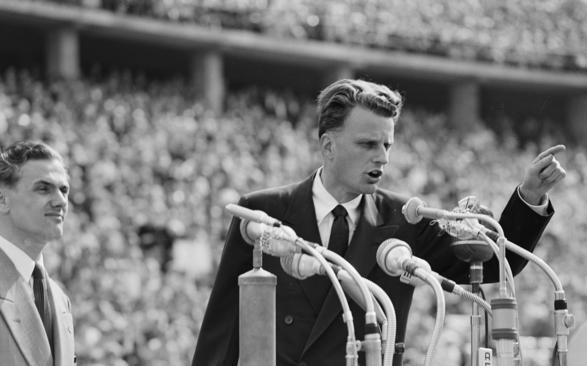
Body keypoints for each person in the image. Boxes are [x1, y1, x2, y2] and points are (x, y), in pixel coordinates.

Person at [192, 79, 566, 366]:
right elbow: (222, 331)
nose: (382, 158)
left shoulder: (406, 219)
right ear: (328, 146)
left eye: (387, 145)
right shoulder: (262, 213)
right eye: (368, 145)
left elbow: (493, 265)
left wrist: (529, 196)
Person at [0, 141, 76, 366]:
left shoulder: (61, 301)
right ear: (2, 199)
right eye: (43, 188)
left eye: (64, 190)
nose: (60, 201)